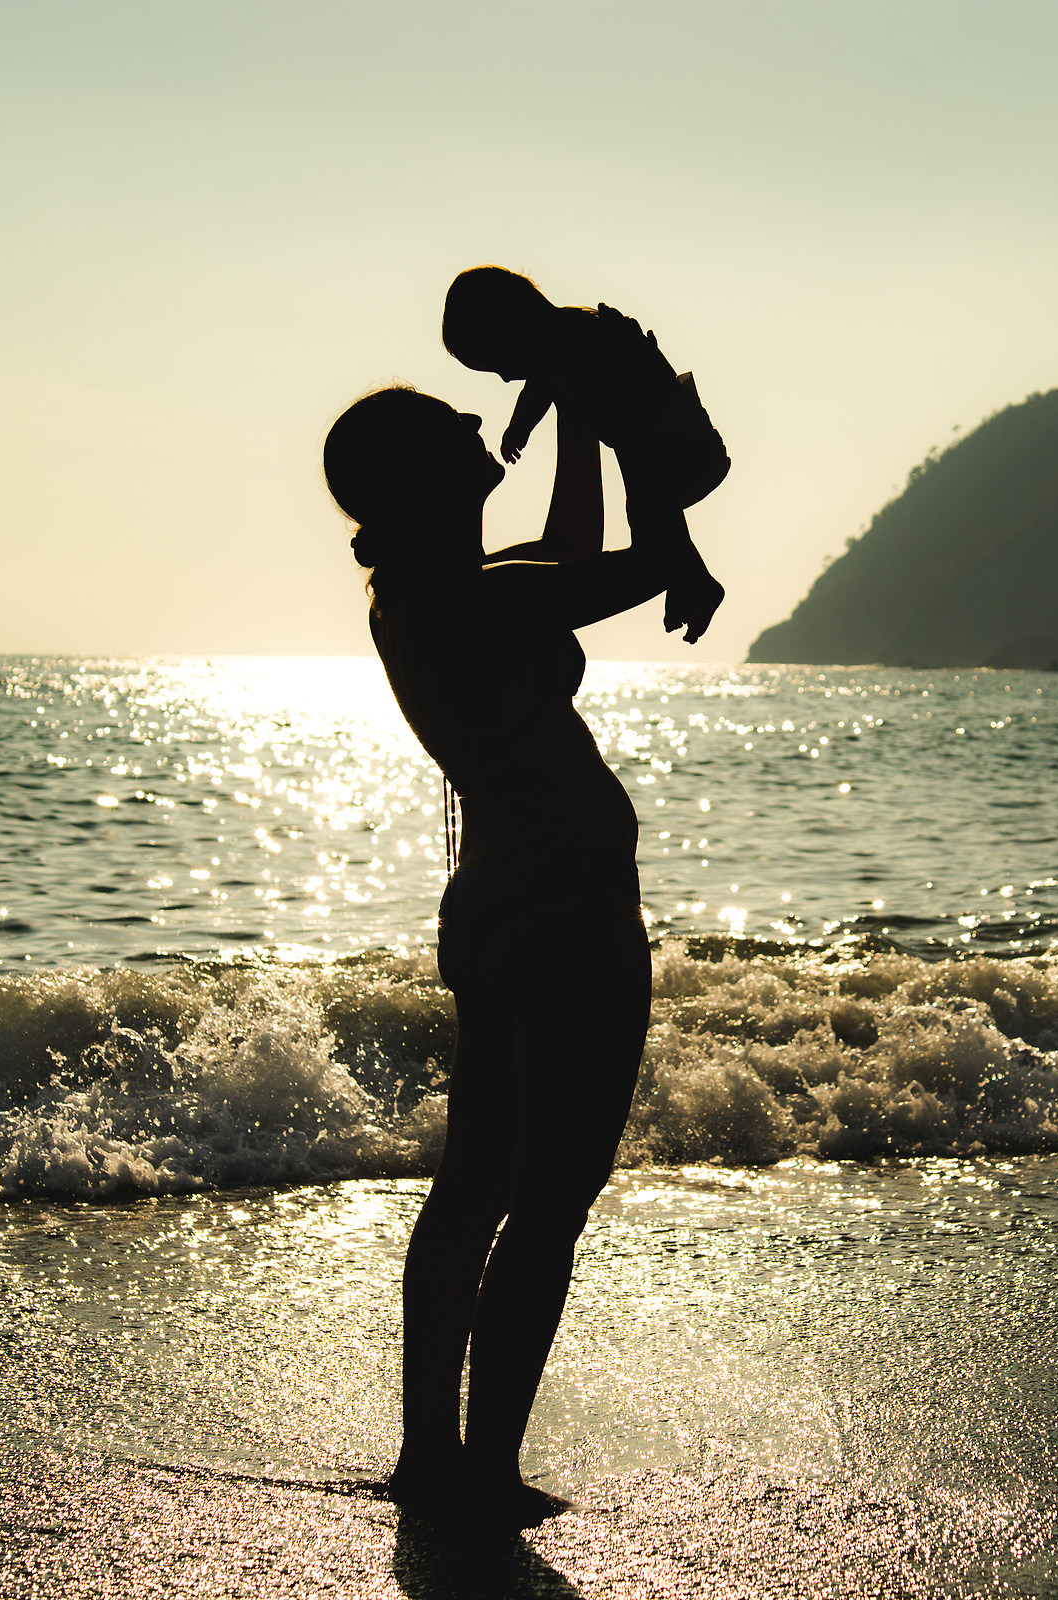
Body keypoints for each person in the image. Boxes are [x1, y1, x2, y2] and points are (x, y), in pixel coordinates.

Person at [323, 384, 721, 1528]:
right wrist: (614, 411)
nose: (473, 423)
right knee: (548, 1201)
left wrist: (583, 415)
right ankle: (484, 1472)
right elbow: (634, 567)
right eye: (448, 425)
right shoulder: (474, 598)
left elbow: (566, 556)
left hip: (502, 899)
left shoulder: (433, 594)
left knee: (477, 1187)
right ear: (423, 478)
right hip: (565, 907)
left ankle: (431, 1456)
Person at [442, 264, 732, 515]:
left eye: (498, 363)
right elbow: (540, 386)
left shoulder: (574, 339)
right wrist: (519, 426)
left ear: (513, 326)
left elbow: (540, 388)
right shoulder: (566, 335)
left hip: (674, 442)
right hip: (670, 439)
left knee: (651, 514)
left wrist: (519, 427)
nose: (506, 377)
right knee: (650, 514)